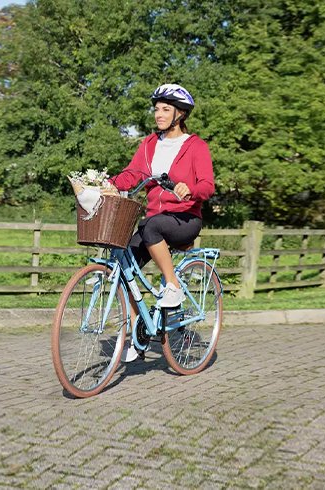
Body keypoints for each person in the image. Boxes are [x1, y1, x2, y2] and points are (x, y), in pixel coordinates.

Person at [109, 83, 215, 361]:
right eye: (157, 109)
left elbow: (208, 185)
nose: (159, 114)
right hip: (155, 221)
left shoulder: (195, 146)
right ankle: (138, 333)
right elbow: (133, 174)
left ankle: (174, 287)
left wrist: (190, 189)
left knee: (151, 225)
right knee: (124, 263)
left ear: (180, 114)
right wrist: (106, 183)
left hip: (185, 218)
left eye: (166, 109)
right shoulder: (149, 144)